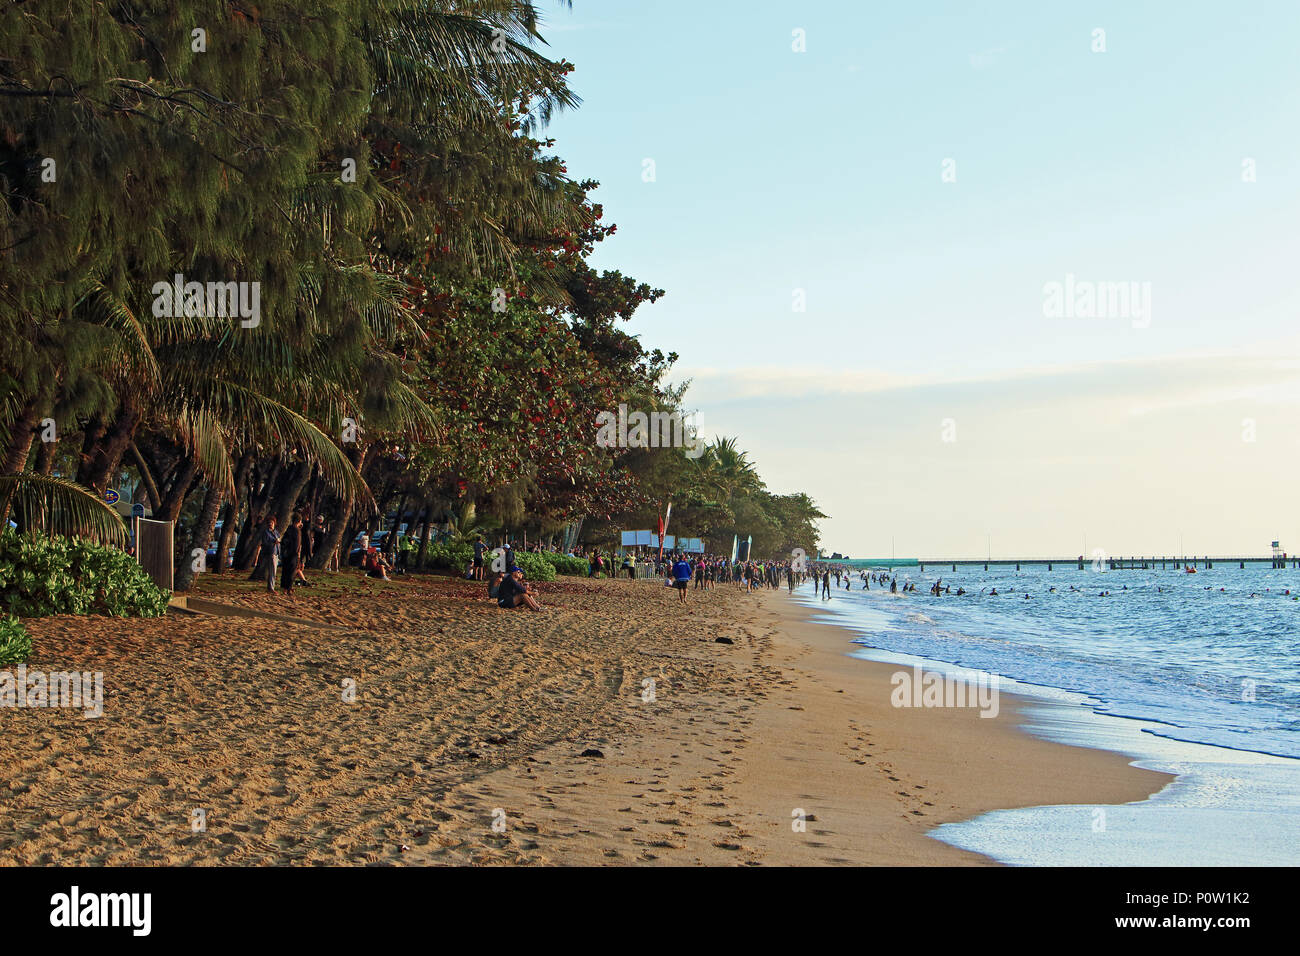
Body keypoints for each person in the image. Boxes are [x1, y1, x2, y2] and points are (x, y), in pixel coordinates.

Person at [280, 512, 303, 598]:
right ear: (299, 521)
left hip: (286, 553)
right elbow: (297, 544)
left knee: (285, 571)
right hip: (293, 554)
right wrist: (298, 554)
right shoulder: (297, 531)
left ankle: (285, 588)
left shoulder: (289, 528)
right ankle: (288, 588)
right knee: (291, 572)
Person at [263, 516, 281, 592]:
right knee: (272, 571)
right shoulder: (266, 533)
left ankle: (270, 586)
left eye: (272, 522)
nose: (270, 524)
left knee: (274, 571)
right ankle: (271, 588)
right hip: (271, 552)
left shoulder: (276, 532)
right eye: (269, 523)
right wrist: (273, 542)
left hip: (276, 552)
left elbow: (279, 539)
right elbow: (265, 543)